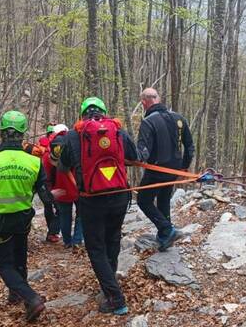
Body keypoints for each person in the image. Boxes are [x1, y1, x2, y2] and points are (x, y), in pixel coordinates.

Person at [0, 111, 58, 322]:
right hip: (23, 219)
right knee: (19, 258)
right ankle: (17, 295)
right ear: (22, 134)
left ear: (1, 133)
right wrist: (53, 217)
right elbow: (45, 196)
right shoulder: (34, 163)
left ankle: (30, 297)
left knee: (4, 266)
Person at [51, 97, 137, 315]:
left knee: (96, 247)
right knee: (113, 238)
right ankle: (109, 283)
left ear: (83, 115)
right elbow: (135, 157)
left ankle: (115, 297)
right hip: (119, 196)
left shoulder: (73, 135)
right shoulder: (118, 131)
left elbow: (62, 166)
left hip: (92, 199)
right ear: (103, 112)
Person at [136, 88, 195, 251]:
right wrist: (183, 167)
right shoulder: (179, 118)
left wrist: (131, 158)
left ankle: (167, 230)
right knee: (163, 199)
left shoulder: (148, 122)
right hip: (174, 169)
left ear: (144, 103)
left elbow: (143, 152)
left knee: (143, 200)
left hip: (156, 169)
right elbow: (189, 147)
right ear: (158, 99)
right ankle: (165, 236)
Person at [42, 123, 82, 249]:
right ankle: (77, 241)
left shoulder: (50, 150)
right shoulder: (77, 142)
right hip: (78, 186)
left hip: (61, 189)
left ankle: (67, 241)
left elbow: (47, 173)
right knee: (81, 215)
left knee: (65, 215)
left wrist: (50, 189)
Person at [23, 123, 60, 243]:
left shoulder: (39, 147)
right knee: (55, 207)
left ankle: (24, 230)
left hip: (36, 180)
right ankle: (52, 233)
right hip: (48, 182)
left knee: (46, 206)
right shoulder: (54, 146)